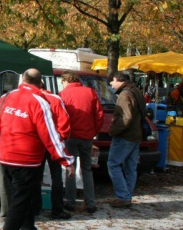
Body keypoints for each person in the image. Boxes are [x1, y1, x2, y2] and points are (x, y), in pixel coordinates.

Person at [0, 68, 75, 230]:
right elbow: (50, 134)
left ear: (22, 80)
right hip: (26, 160)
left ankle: (29, 228)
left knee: (22, 198)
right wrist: (66, 160)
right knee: (20, 202)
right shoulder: (39, 102)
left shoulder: (5, 98)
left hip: (6, 157)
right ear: (41, 83)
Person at [59, 70, 103, 214]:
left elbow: (60, 116)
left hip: (70, 136)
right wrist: (93, 132)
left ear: (66, 81)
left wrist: (62, 134)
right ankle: (90, 203)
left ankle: (70, 202)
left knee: (70, 168)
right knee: (87, 169)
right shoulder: (90, 92)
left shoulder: (64, 94)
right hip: (87, 136)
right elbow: (99, 115)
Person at [108, 72, 145, 208]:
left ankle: (123, 197)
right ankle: (127, 196)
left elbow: (126, 118)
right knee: (131, 168)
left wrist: (112, 131)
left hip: (125, 136)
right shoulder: (136, 90)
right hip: (136, 135)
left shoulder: (124, 94)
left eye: (111, 82)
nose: (111, 86)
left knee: (113, 164)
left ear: (117, 79)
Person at [38, 84, 72, 219]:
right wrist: (61, 138)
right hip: (53, 143)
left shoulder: (30, 98)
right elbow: (64, 122)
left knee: (35, 176)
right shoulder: (55, 99)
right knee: (56, 177)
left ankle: (35, 208)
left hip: (37, 143)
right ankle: (57, 210)